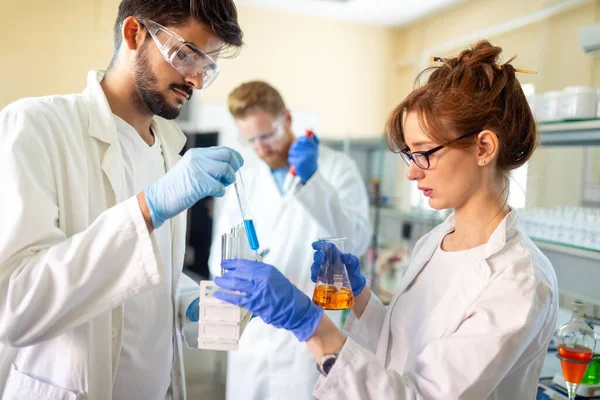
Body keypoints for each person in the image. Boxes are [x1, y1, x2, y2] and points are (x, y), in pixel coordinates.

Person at [213, 41, 559, 399]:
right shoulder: (437, 241)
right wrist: (360, 297)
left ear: (484, 148)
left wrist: (310, 324)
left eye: (424, 153)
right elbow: (400, 348)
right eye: (410, 155)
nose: (411, 173)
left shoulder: (517, 282)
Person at [0, 1, 244, 398]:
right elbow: (15, 303)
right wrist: (148, 208)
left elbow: (141, 275)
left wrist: (191, 303)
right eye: (187, 55)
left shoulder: (167, 152)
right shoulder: (36, 126)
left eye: (208, 66)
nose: (196, 81)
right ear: (134, 33)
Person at [208, 81, 372, 400]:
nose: (260, 148)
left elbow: (358, 240)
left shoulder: (337, 169)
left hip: (310, 339)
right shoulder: (246, 179)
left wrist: (312, 181)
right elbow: (219, 258)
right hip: (252, 337)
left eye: (267, 135)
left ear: (286, 117)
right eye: (250, 139)